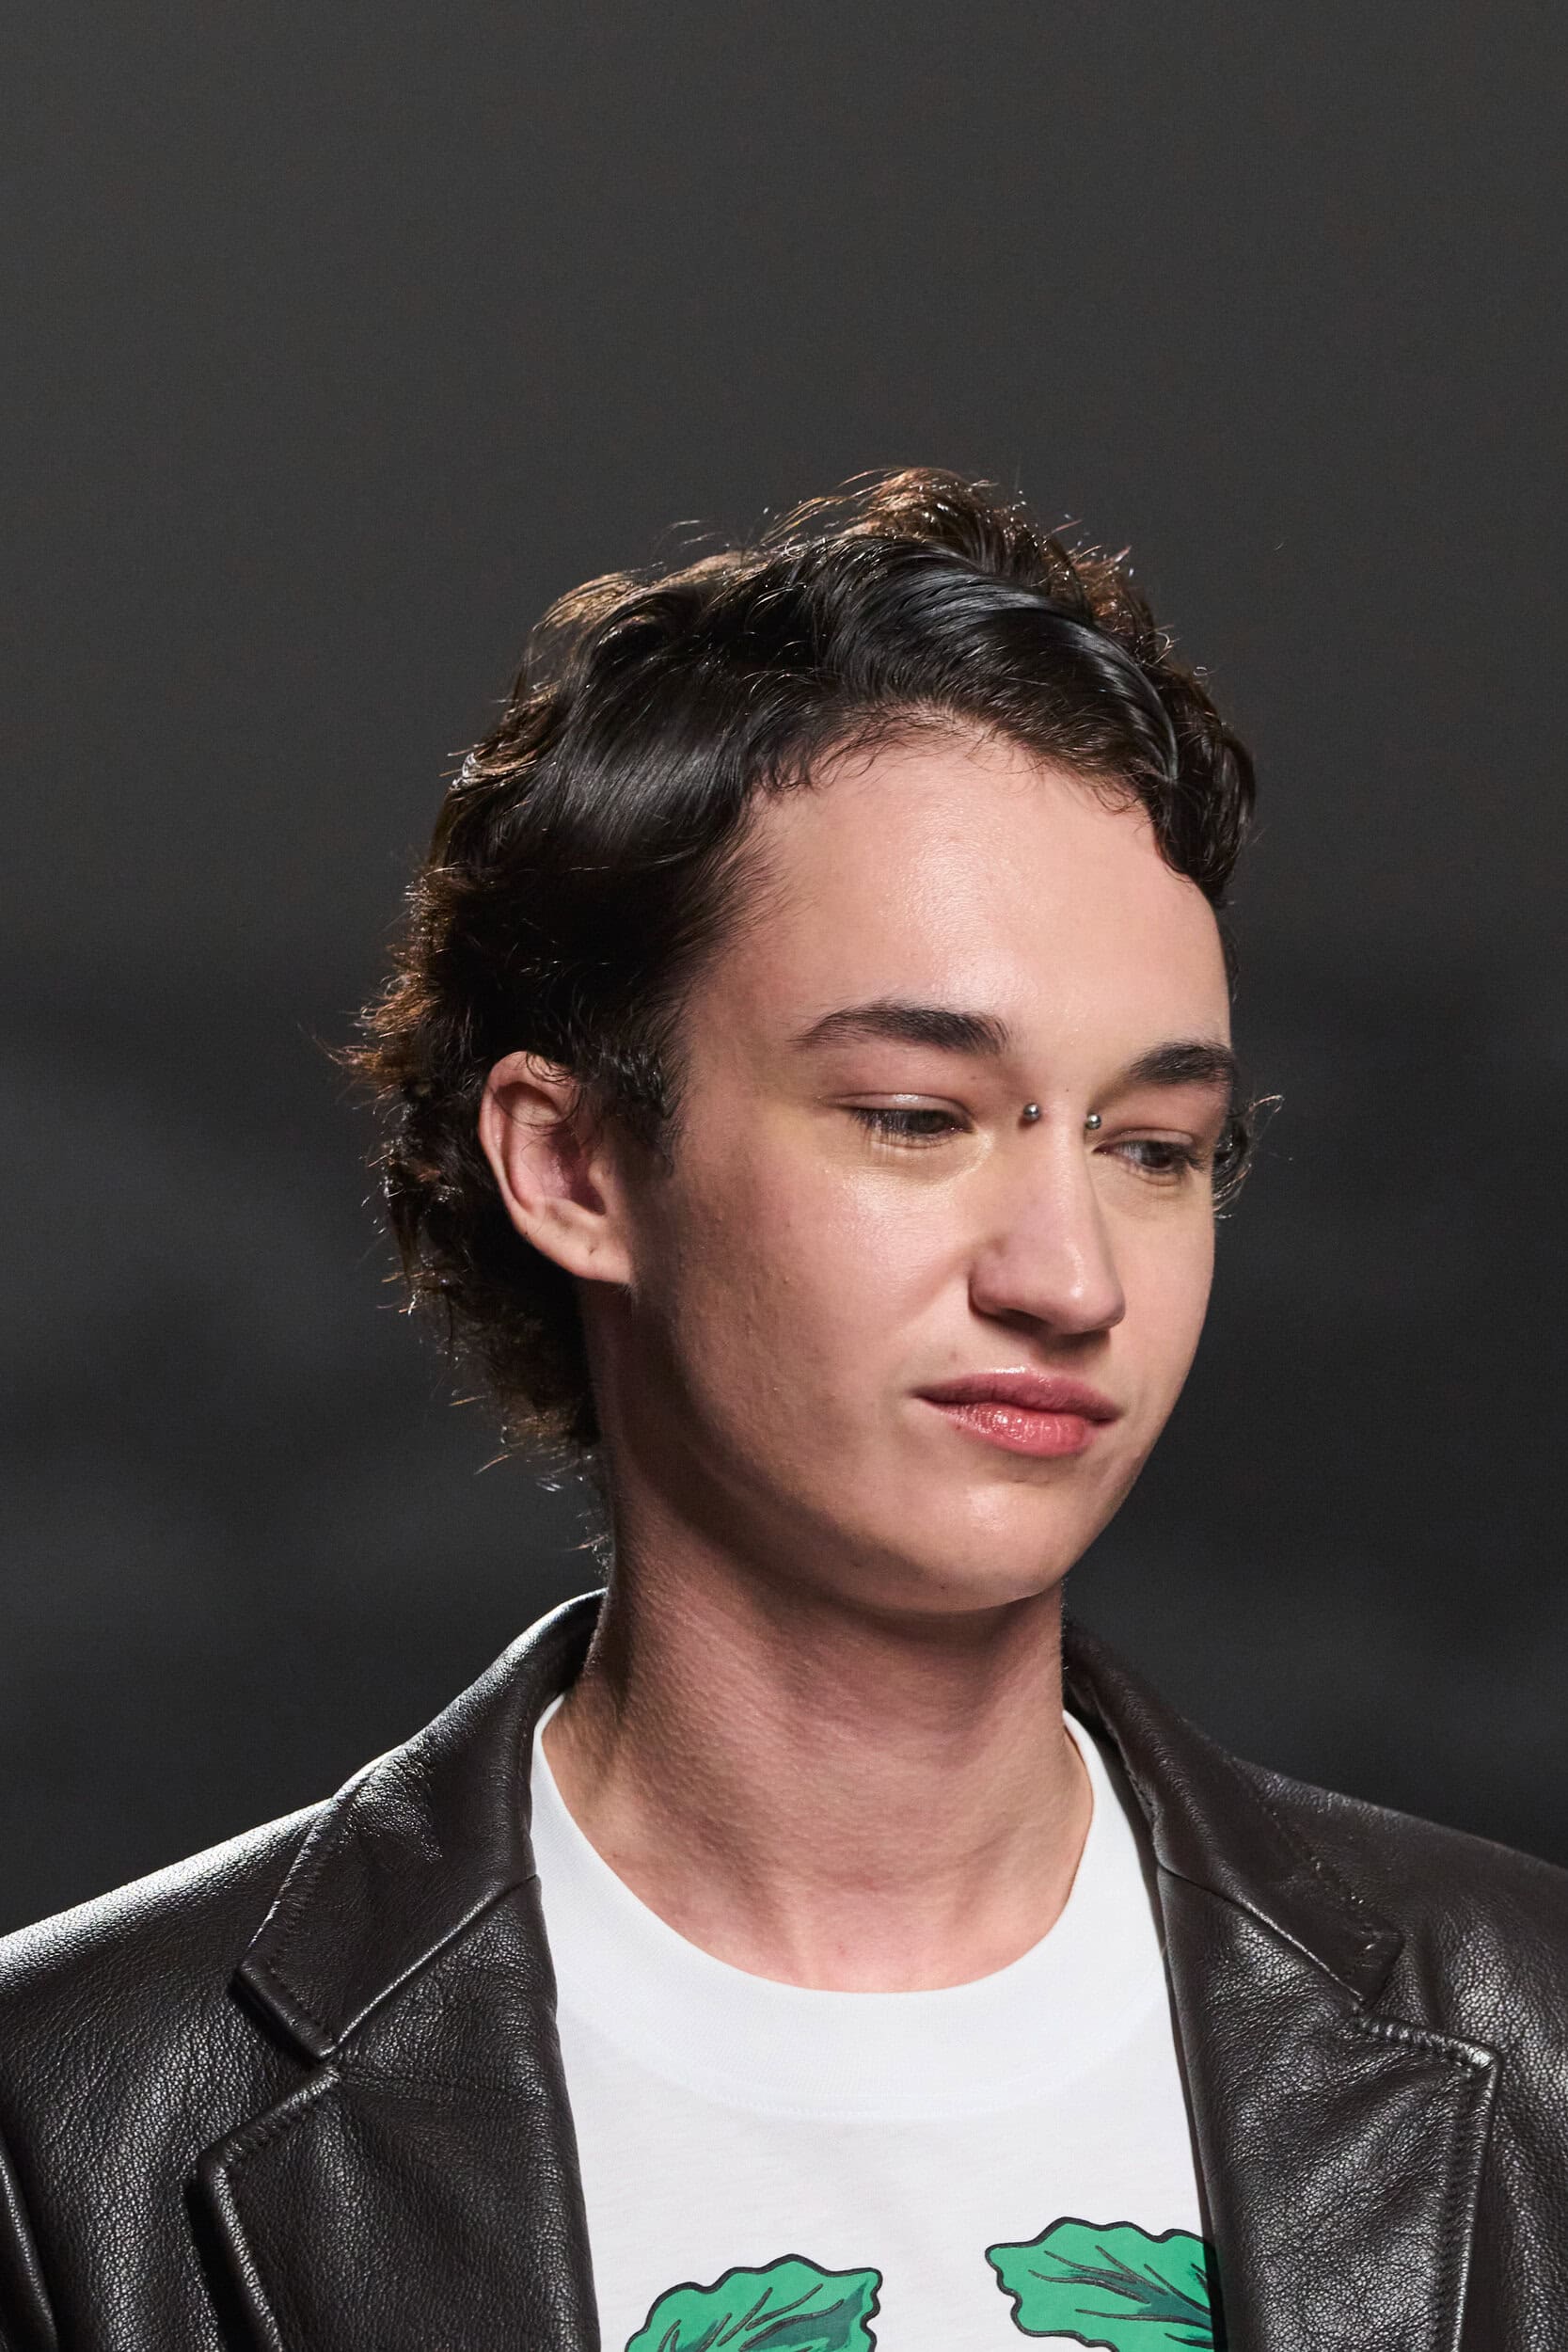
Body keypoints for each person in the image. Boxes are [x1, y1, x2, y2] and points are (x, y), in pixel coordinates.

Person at [0, 470, 1561, 2352]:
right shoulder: (72, 2126)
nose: (1070, 1274)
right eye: (914, 1115)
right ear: (572, 1162)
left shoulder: (1536, 2047)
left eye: (1155, 1144)